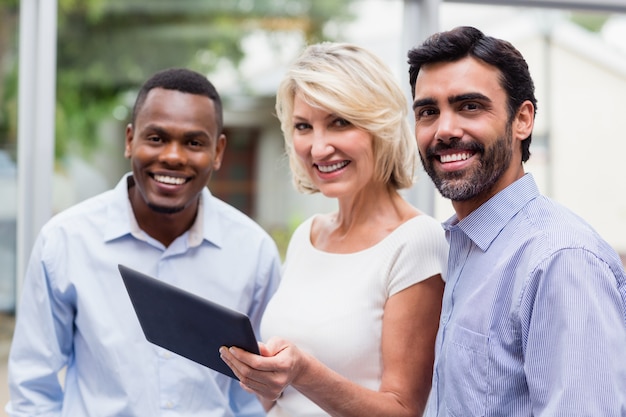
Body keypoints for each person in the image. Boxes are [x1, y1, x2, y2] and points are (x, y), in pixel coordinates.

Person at [6, 68, 282, 417]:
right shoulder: (65, 242)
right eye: (156, 138)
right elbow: (33, 390)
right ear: (129, 140)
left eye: (194, 142)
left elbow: (257, 395)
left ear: (218, 151)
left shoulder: (254, 252)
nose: (172, 156)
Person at [219, 42, 448, 417]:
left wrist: (302, 371)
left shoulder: (416, 241)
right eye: (303, 127)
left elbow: (403, 410)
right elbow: (281, 399)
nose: (319, 147)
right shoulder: (307, 236)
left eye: (340, 122)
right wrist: (260, 375)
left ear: (380, 126)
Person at [408, 26, 626, 416]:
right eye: (428, 112)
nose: (444, 130)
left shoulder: (561, 259)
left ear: (522, 120)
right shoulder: (463, 246)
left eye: (469, 106)